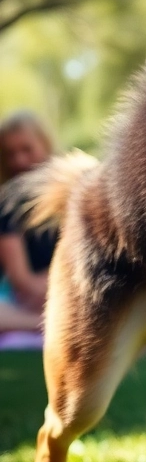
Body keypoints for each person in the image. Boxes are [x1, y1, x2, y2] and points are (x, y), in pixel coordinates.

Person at [0, 111, 57, 340]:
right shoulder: (7, 205)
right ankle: (44, 324)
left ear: (44, 144)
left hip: (63, 289)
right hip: (25, 303)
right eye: (10, 154)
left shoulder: (73, 193)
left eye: (27, 150)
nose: (19, 161)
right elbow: (22, 282)